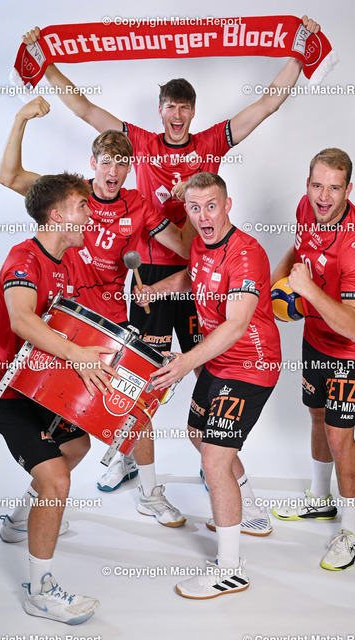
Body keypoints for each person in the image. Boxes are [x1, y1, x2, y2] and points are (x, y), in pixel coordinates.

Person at [21, 15, 320, 494]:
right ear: (160, 111)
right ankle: (132, 463)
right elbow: (85, 109)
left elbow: (266, 104)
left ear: (193, 112)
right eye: (170, 106)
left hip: (203, 276)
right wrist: (47, 62)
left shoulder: (210, 141)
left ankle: (216, 457)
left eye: (184, 107)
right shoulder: (138, 143)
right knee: (141, 374)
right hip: (152, 278)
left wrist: (299, 53)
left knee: (208, 364)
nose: (177, 115)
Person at [0, 98, 194, 526]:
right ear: (93, 163)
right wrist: (20, 119)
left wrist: (191, 196)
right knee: (56, 430)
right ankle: (23, 514)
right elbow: (9, 176)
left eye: (122, 164)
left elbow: (185, 247)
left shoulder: (139, 205)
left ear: (129, 169)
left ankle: (149, 493)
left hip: (111, 324)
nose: (113, 171)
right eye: (106, 161)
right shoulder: (70, 197)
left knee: (136, 405)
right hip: (63, 321)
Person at [0, 173, 119, 623]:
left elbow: (82, 320)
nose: (90, 214)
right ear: (57, 216)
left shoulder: (69, 261)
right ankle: (40, 592)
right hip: (6, 392)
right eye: (82, 206)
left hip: (41, 387)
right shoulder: (24, 258)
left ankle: (20, 520)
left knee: (76, 446)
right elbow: (22, 319)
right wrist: (78, 356)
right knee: (57, 480)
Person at [135, 172, 281, 598]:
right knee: (198, 435)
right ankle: (249, 508)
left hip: (250, 365)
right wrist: (157, 290)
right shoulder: (200, 242)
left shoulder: (247, 254)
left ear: (228, 205)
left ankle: (230, 570)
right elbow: (192, 276)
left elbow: (236, 325)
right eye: (195, 208)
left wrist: (184, 363)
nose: (203, 217)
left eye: (211, 206)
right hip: (218, 361)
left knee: (215, 462)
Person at [270, 148, 355, 570]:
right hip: (315, 335)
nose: (323, 197)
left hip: (351, 348)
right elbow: (298, 249)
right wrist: (275, 284)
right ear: (307, 184)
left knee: (339, 435)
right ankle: (320, 500)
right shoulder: (306, 208)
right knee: (317, 416)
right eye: (317, 185)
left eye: (334, 188)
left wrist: (308, 291)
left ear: (348, 190)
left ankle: (353, 533)